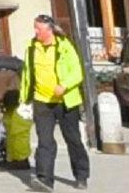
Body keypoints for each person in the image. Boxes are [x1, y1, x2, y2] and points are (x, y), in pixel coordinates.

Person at [18, 14, 90, 190]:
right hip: (41, 100)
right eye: (34, 28)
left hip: (65, 100)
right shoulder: (32, 47)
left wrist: (64, 86)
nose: (35, 32)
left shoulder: (65, 46)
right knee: (45, 141)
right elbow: (27, 74)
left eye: (39, 29)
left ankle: (81, 174)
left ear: (49, 30)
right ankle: (45, 179)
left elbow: (77, 72)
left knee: (72, 138)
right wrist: (24, 98)